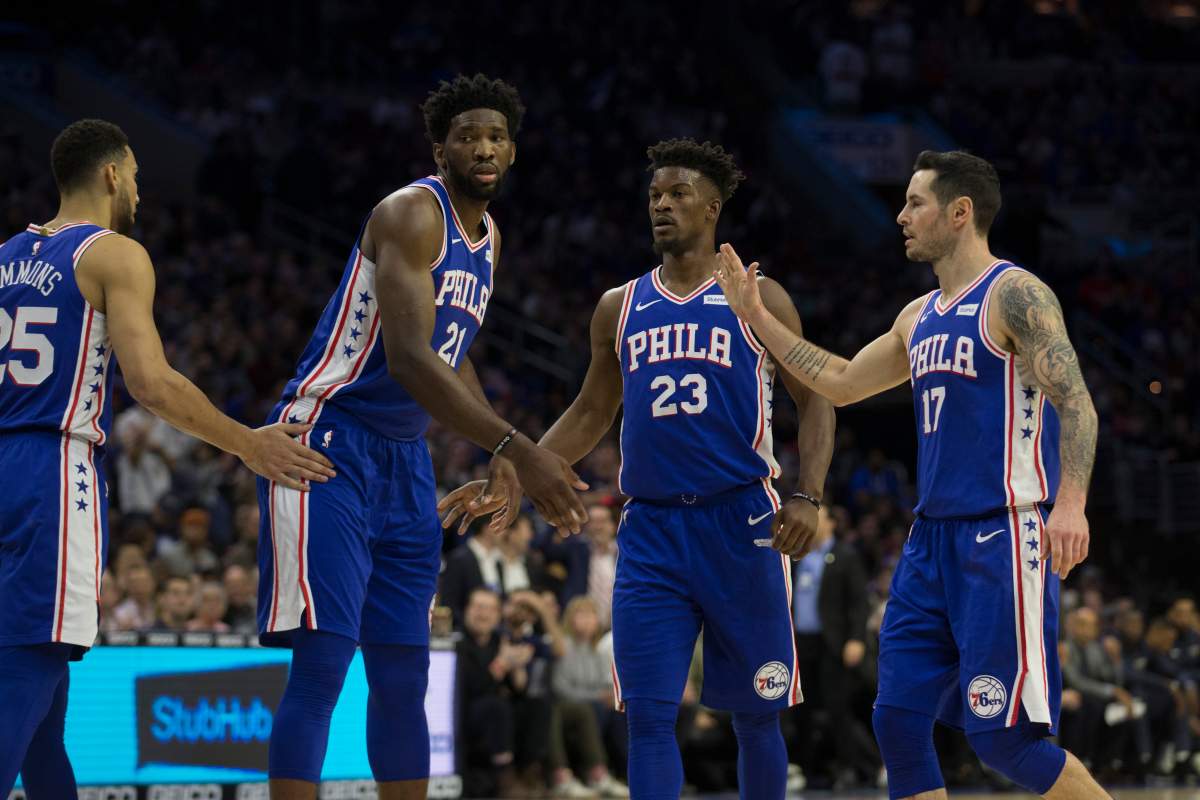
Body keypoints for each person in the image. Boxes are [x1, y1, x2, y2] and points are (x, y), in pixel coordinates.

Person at [443, 138, 835, 799]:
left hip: (743, 522)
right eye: (655, 195)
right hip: (652, 529)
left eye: (678, 194)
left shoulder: (758, 296)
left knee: (756, 713)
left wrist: (809, 493)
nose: (662, 205)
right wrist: (511, 469)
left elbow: (817, 396)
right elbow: (591, 411)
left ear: (712, 208)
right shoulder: (618, 306)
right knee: (648, 717)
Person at [714, 150, 1108, 798]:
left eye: (915, 203)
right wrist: (756, 315)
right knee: (896, 719)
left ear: (960, 213)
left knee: (1005, 742)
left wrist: (1071, 503)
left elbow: (1078, 402)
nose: (900, 216)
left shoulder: (1015, 294)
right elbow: (841, 382)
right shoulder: (917, 316)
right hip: (929, 542)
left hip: (1000, 535)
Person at [257, 75, 587, 800]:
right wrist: (517, 447)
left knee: (405, 673)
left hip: (404, 460)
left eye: (497, 136)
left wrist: (499, 452)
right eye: (468, 136)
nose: (484, 148)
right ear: (440, 149)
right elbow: (409, 358)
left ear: (513, 151)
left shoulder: (490, 238)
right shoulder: (409, 212)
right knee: (323, 666)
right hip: (326, 440)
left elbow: (450, 351)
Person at [0, 118, 332, 798]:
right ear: (111, 173)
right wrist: (248, 443)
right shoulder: (114, 254)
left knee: (43, 722)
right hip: (50, 473)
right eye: (136, 177)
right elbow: (150, 383)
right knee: (27, 674)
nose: (140, 193)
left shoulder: (3, 257)